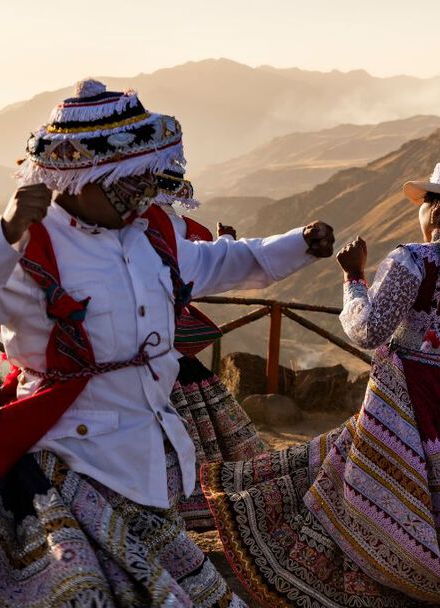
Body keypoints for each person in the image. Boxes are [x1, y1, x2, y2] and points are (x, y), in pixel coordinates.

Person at [0, 79, 334, 607]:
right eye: (126, 182)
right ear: (79, 179)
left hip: (146, 461)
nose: (141, 193)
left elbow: (224, 261)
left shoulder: (153, 234)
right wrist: (3, 234)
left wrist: (300, 246)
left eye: (143, 179)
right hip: (63, 466)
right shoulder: (29, 247)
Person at [203, 161, 440, 606]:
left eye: (424, 204)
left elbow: (368, 330)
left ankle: (387, 568)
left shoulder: (413, 261)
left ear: (436, 211)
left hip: (404, 402)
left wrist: (353, 278)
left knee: (370, 487)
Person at [148, 168, 267, 531]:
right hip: (165, 342)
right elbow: (197, 274)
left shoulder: (137, 227)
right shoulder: (182, 228)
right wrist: (225, 245)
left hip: (146, 344)